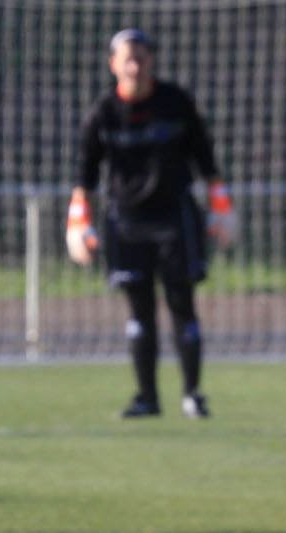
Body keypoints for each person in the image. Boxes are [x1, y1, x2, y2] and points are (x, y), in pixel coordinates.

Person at [68, 27, 236, 420]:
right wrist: (78, 222)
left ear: (152, 62)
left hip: (174, 218)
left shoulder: (175, 104)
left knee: (182, 304)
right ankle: (147, 397)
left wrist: (221, 207)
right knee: (139, 310)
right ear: (113, 65)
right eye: (128, 57)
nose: (135, 65)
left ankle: (192, 394)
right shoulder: (103, 114)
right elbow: (85, 175)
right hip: (126, 221)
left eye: (142, 57)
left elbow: (206, 160)